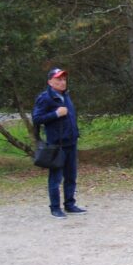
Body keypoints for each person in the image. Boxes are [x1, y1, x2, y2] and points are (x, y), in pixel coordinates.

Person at [32, 67, 86, 219]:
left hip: (71, 142)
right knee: (55, 178)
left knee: (71, 176)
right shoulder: (45, 98)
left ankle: (70, 204)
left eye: (63, 79)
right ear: (50, 82)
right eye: (58, 79)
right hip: (57, 145)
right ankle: (55, 208)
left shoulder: (66, 96)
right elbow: (36, 118)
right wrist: (55, 114)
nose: (62, 82)